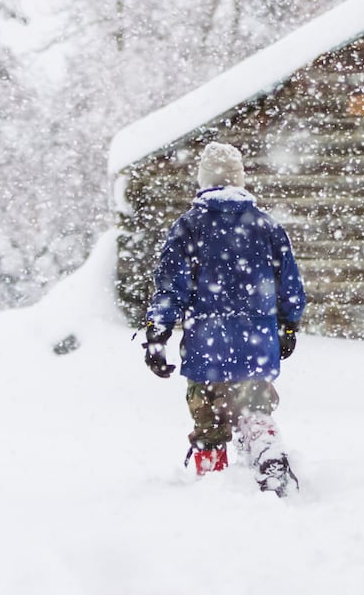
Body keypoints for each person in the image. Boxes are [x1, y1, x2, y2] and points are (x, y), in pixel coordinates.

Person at [141, 141, 306, 496]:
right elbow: (290, 286)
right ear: (239, 180)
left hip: (207, 346)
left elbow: (171, 287)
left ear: (204, 181)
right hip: (257, 345)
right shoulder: (266, 226)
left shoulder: (190, 227)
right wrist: (288, 326)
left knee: (209, 425)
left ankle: (213, 488)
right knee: (255, 408)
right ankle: (269, 455)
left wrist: (158, 333)